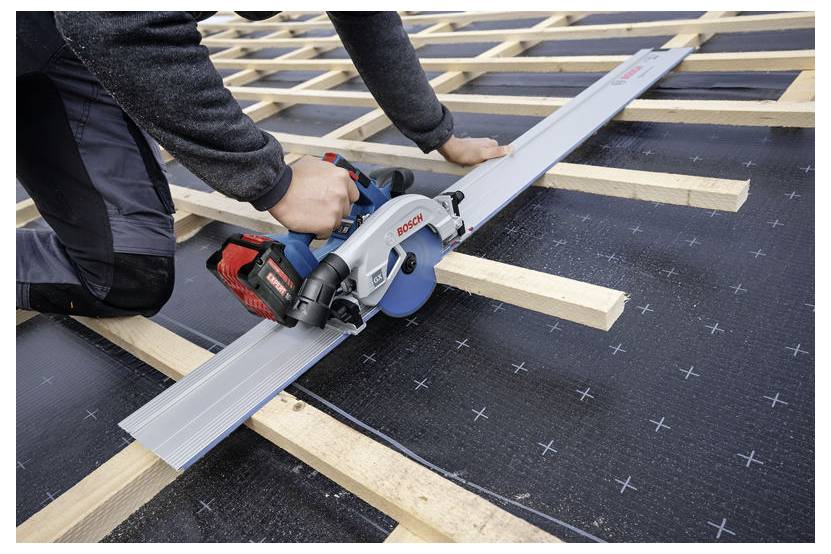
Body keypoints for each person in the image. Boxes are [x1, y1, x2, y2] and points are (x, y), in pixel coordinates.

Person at [16, 11, 511, 318]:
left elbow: (366, 16)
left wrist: (438, 133)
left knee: (128, 275)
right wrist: (271, 181)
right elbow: (111, 21)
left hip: (54, 38)